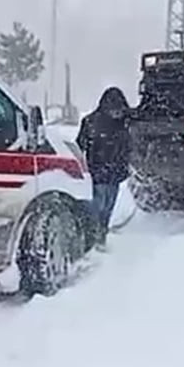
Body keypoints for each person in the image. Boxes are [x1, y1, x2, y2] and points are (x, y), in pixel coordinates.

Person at [75, 86, 132, 250]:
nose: (117, 112)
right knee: (101, 208)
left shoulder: (123, 123)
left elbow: (80, 145)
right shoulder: (92, 122)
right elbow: (80, 146)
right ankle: (95, 239)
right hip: (100, 173)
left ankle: (99, 238)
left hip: (110, 173)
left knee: (105, 208)